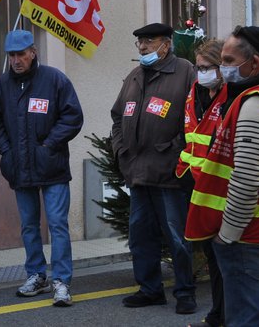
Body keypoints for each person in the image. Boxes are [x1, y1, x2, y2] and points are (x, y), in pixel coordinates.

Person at [187, 23, 259, 327]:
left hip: (248, 234)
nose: (224, 68)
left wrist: (227, 235)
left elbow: (247, 179)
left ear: (255, 63)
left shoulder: (256, 104)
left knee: (247, 319)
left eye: (230, 62)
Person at [0, 30, 83, 307]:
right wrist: (5, 150)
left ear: (33, 53)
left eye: (21, 54)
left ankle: (61, 281)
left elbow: (73, 116)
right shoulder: (3, 86)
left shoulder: (54, 80)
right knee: (29, 226)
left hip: (51, 167)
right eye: (11, 55)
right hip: (20, 168)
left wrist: (49, 145)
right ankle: (36, 275)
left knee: (57, 225)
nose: (16, 60)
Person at [110, 22, 197, 314]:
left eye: (149, 41)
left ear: (166, 44)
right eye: (139, 43)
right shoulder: (135, 76)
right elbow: (118, 117)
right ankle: (150, 290)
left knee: (177, 237)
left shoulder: (184, 72)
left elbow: (194, 119)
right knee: (140, 235)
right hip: (137, 172)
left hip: (169, 173)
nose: (143, 47)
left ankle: (185, 291)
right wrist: (121, 151)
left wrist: (175, 152)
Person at [178, 39, 227, 327]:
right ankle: (219, 314)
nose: (201, 73)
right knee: (212, 254)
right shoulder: (194, 93)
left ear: (221, 68)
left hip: (222, 188)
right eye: (198, 68)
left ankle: (221, 314)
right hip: (197, 185)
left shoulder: (231, 96)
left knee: (224, 259)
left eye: (206, 67)